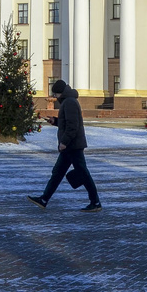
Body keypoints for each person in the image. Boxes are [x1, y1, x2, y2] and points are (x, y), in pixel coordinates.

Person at [28, 80, 101, 212]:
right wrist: (55, 121)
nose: (54, 97)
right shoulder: (68, 101)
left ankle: (95, 202)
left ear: (59, 92)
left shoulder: (70, 102)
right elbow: (67, 123)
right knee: (58, 173)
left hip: (72, 146)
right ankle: (44, 199)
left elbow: (73, 126)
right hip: (70, 146)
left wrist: (64, 142)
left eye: (55, 94)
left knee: (83, 173)